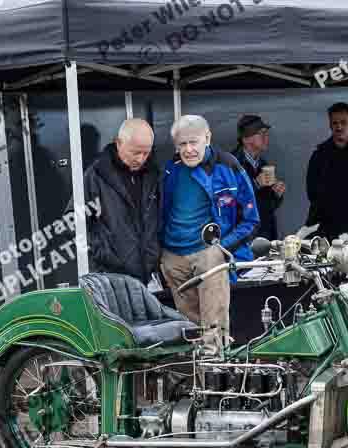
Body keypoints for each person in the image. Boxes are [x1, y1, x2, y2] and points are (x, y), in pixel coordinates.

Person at [159, 115, 260, 348]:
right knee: (188, 333)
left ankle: (216, 381)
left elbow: (252, 220)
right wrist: (162, 254)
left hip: (210, 255)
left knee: (213, 334)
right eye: (182, 144)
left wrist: (222, 248)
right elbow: (158, 213)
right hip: (173, 257)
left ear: (208, 138)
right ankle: (192, 382)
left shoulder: (229, 165)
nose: (188, 149)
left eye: (193, 142)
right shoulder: (169, 169)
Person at [65, 118, 161, 285]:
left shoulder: (153, 174)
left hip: (147, 274)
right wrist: (101, 250)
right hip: (110, 275)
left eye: (146, 153)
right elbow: (72, 221)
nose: (140, 159)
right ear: (118, 143)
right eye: (135, 152)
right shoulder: (96, 175)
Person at [305, 102, 348, 242]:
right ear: (330, 125)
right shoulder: (319, 155)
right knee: (325, 265)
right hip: (327, 228)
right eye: (335, 123)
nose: (339, 127)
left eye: (343, 122)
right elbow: (311, 191)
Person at [232, 115, 285, 241]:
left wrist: (277, 194)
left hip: (265, 236)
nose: (266, 137)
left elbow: (269, 206)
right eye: (261, 134)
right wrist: (255, 184)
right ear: (245, 139)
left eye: (266, 133)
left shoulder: (263, 165)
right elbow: (228, 203)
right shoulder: (231, 165)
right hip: (243, 238)